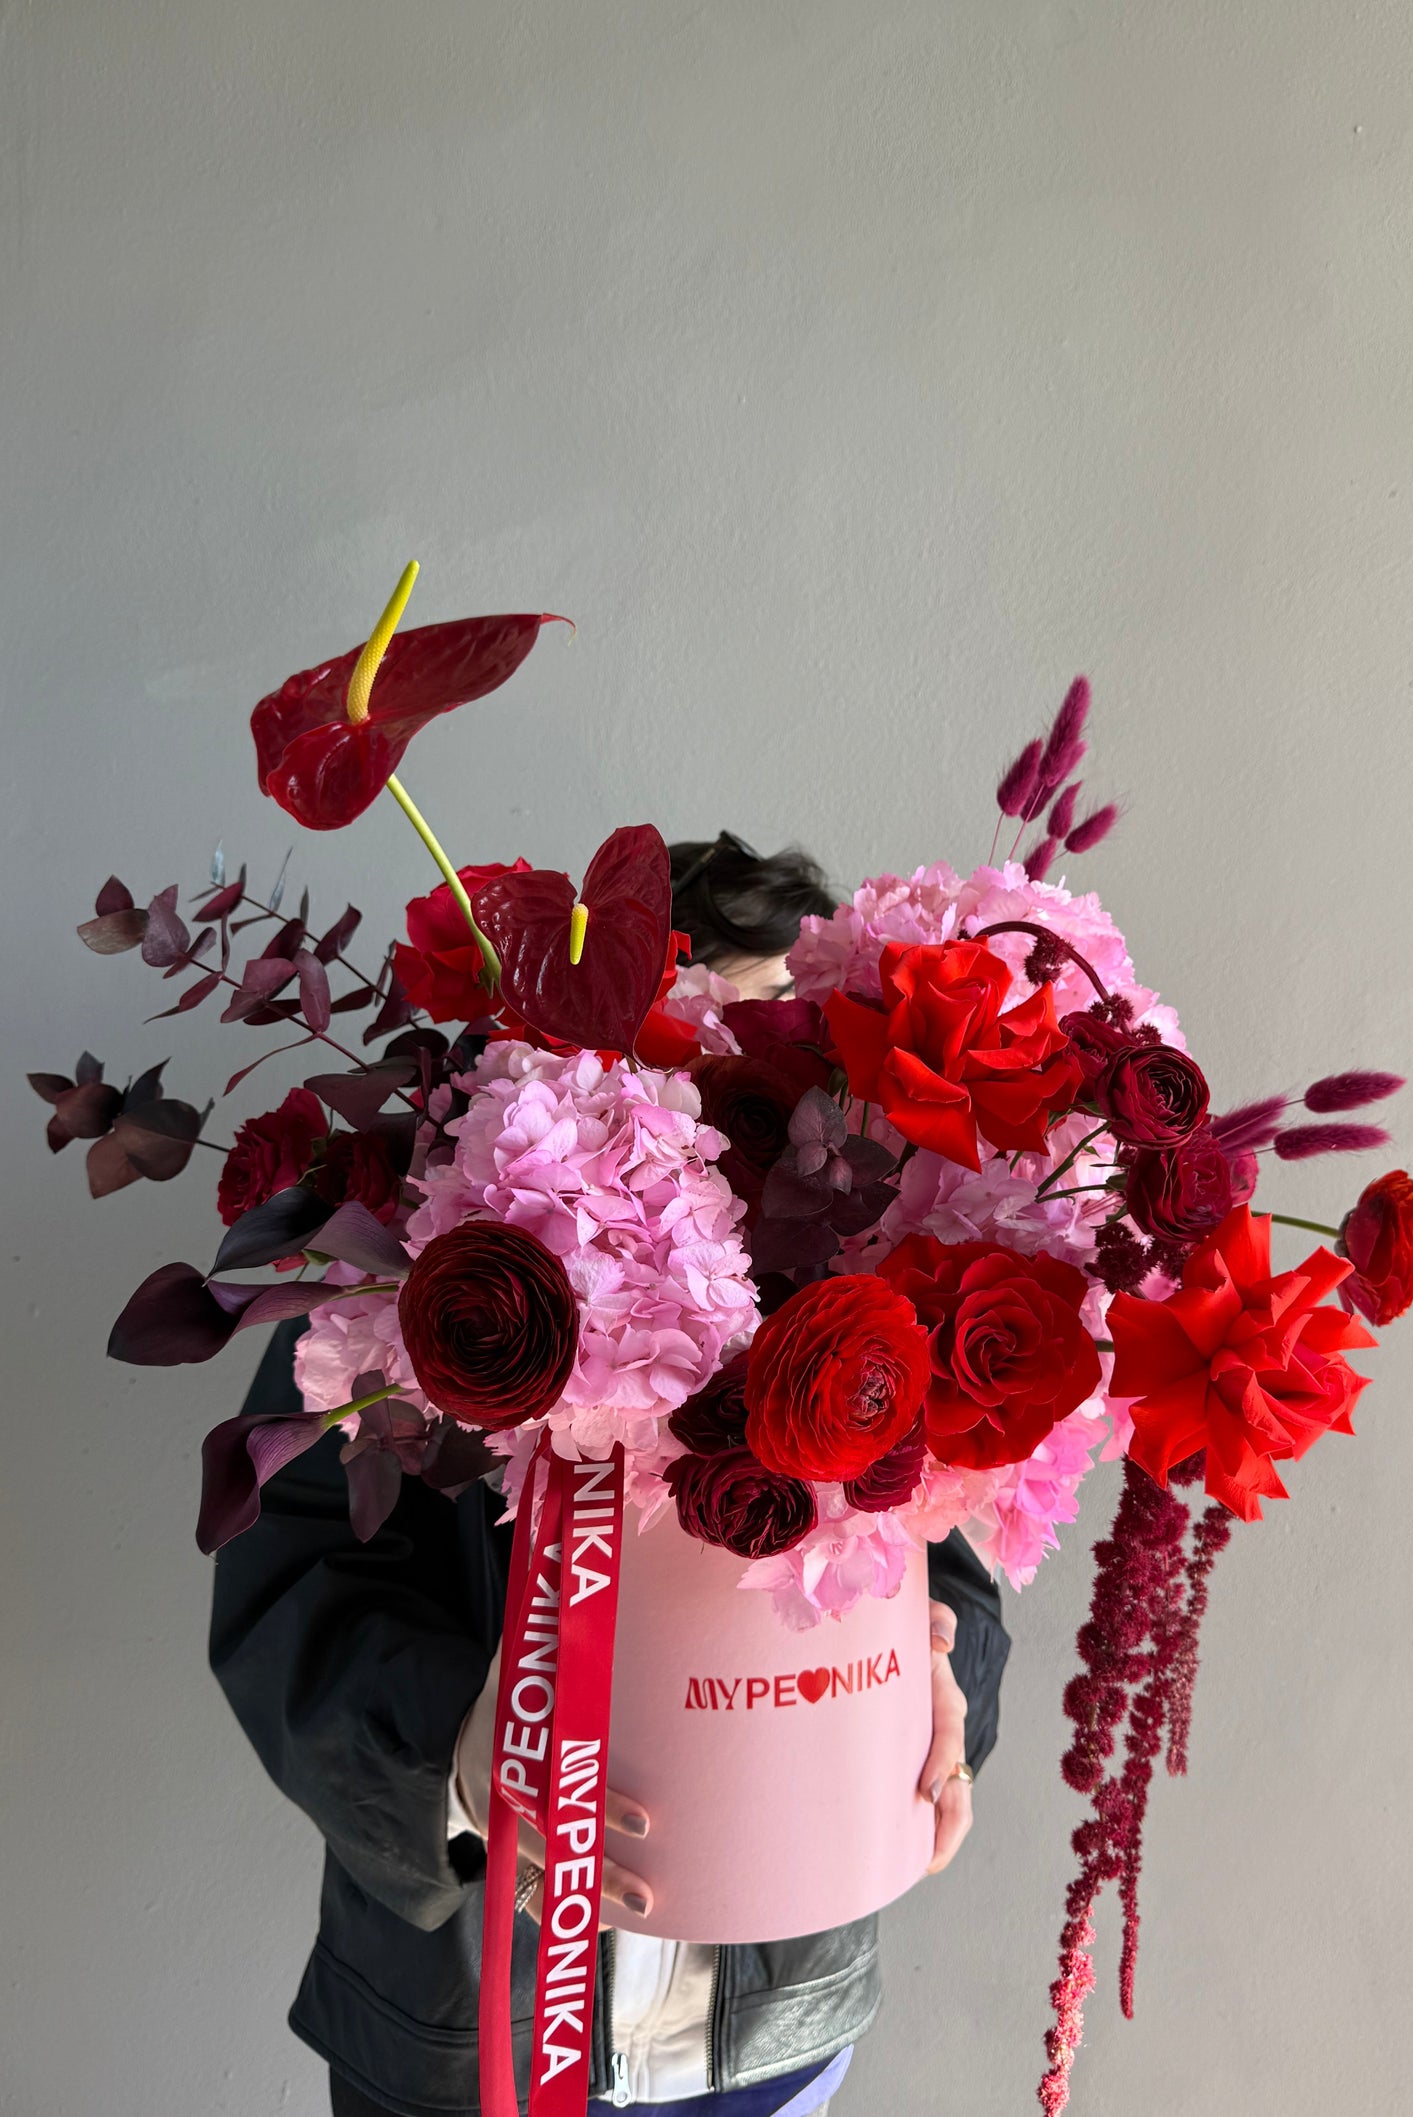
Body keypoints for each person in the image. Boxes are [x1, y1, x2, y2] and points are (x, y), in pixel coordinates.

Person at [210, 833, 1012, 2117]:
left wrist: (943, 1703)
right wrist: (460, 1765)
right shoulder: (427, 1282)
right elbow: (281, 1592)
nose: (750, 1140)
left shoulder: (874, 1302)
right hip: (459, 2045)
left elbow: (951, 1568)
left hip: (771, 2040)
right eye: (703, 1074)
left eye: (788, 1083)